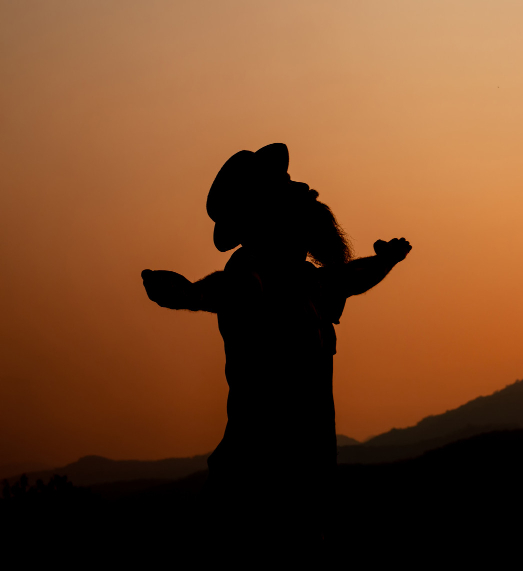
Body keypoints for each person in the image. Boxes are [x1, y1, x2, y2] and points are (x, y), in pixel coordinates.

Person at [141, 143, 410, 540]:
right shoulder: (259, 275)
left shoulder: (305, 280)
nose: (305, 189)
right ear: (268, 214)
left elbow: (349, 279)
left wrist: (383, 262)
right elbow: (235, 290)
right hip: (255, 501)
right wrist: (194, 296)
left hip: (301, 496)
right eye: (286, 188)